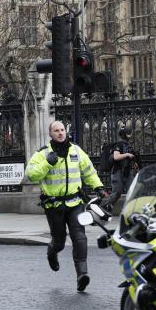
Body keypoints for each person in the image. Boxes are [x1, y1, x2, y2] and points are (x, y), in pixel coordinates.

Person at [26, 121, 106, 292]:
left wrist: (98, 187)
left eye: (62, 130)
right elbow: (31, 175)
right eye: (56, 130)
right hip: (53, 205)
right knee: (59, 241)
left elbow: (89, 171)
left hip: (75, 203)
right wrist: (47, 163)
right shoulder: (43, 153)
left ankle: (82, 275)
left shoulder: (76, 150)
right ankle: (52, 252)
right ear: (51, 134)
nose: (61, 133)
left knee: (80, 237)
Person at [108, 127, 140, 208]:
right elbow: (116, 156)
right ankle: (107, 207)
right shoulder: (118, 145)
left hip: (127, 171)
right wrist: (127, 155)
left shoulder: (128, 145)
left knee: (133, 191)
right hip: (117, 172)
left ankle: (131, 209)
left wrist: (135, 164)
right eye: (129, 133)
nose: (131, 135)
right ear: (125, 134)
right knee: (117, 193)